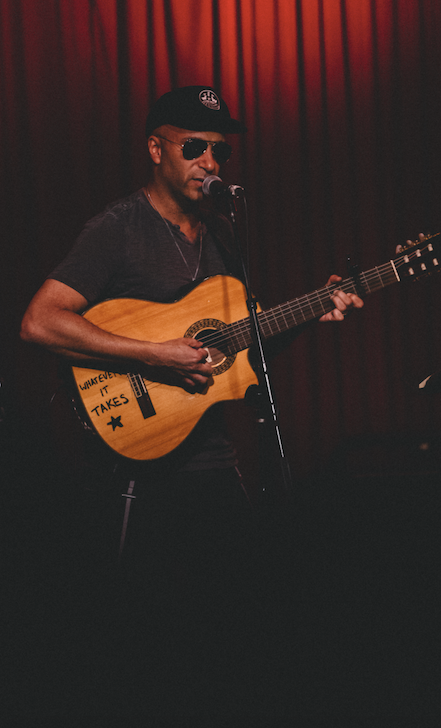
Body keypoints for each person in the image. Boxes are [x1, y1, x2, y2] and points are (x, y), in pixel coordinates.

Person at [20, 85, 364, 712]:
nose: (211, 162)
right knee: (146, 644)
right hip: (140, 473)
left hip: (213, 462)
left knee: (232, 637)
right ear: (157, 149)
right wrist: (155, 354)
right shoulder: (118, 228)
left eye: (220, 151)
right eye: (195, 146)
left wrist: (316, 309)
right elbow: (40, 322)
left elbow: (238, 357)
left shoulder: (224, 238)